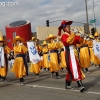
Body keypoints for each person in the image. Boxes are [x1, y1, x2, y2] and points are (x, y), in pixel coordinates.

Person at [58, 20, 85, 92]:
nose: (69, 27)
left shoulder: (71, 34)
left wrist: (81, 37)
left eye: (69, 26)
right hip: (69, 53)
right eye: (67, 26)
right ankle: (80, 85)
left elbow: (79, 41)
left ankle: (67, 85)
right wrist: (74, 34)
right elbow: (68, 41)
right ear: (64, 28)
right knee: (75, 67)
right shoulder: (64, 35)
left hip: (74, 53)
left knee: (71, 70)